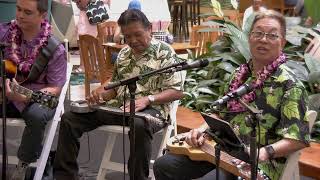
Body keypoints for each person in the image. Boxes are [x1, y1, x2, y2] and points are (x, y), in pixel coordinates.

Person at [154, 10, 310, 180]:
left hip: (258, 162)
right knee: (164, 166)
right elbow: (219, 113)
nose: (263, 39)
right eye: (258, 33)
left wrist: (265, 152)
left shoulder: (290, 85)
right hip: (220, 150)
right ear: (249, 38)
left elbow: (297, 139)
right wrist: (200, 131)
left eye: (272, 35)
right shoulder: (239, 74)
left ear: (283, 42)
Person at [53, 9, 184, 180]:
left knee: (139, 125)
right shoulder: (123, 53)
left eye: (137, 34)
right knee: (70, 118)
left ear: (149, 29)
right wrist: (99, 94)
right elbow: (114, 87)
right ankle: (65, 176)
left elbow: (177, 91)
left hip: (152, 111)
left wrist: (147, 100)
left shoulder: (165, 52)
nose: (132, 40)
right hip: (120, 108)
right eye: (128, 36)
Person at [0, 0, 67, 180]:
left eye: (27, 12)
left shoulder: (54, 49)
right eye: (18, 9)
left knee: (38, 116)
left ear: (42, 15)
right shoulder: (4, 33)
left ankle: (23, 165)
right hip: (3, 96)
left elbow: (55, 88)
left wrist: (23, 96)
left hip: (34, 98)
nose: (20, 15)